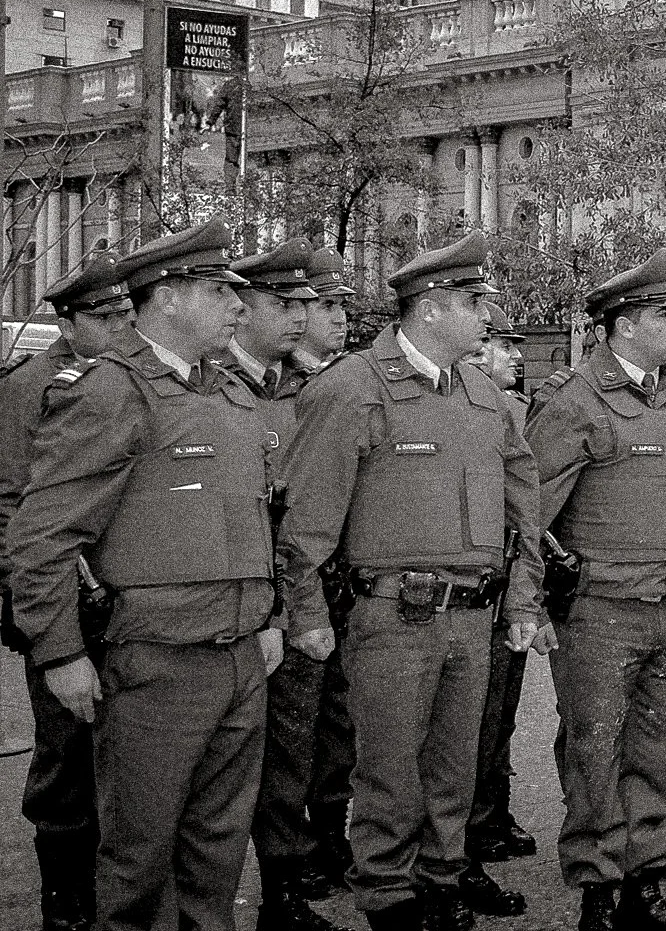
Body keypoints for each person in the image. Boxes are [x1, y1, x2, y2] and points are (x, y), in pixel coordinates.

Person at [8, 220, 289, 931]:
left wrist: (271, 618)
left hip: (238, 658)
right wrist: (61, 651)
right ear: (165, 299)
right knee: (138, 863)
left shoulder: (228, 396)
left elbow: (259, 523)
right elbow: (43, 535)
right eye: (219, 289)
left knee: (216, 857)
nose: (237, 304)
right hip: (156, 665)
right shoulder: (111, 392)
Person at [282, 231, 547, 931]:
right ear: (429, 308)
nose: (485, 315)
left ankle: (439, 880)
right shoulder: (350, 389)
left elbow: (524, 506)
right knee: (390, 773)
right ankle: (390, 897)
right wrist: (305, 614)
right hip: (394, 616)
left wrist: (523, 595)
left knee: (455, 772)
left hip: (473, 615)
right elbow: (305, 521)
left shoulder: (484, 395)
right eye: (472, 301)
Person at [528, 249, 666, 931]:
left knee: (657, 750)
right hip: (599, 612)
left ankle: (645, 883)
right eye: (665, 314)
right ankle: (597, 893)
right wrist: (529, 606)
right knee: (594, 750)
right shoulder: (576, 401)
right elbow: (530, 514)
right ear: (621, 325)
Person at [0, 252, 134, 931]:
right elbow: (14, 499)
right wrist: (22, 600)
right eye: (104, 316)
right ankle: (64, 897)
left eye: (125, 313)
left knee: (119, 746)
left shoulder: (126, 378)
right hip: (61, 594)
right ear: (68, 321)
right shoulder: (35, 385)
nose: (119, 325)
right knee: (65, 751)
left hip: (121, 595)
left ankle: (110, 883)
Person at [227, 241, 352, 931]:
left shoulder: (313, 390)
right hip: (243, 600)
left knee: (307, 745)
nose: (302, 320)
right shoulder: (217, 389)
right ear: (238, 307)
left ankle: (289, 880)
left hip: (313, 591)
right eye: (286, 305)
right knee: (242, 758)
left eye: (308, 306)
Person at [459, 302, 538, 912]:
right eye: (500, 343)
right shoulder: (469, 406)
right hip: (457, 591)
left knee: (495, 718)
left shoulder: (507, 408)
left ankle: (482, 823)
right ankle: (457, 849)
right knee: (464, 733)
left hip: (501, 583)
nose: (514, 354)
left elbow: (526, 508)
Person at [294, 248, 359, 892]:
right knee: (290, 730)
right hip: (291, 581)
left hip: (342, 582)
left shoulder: (344, 382)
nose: (339, 320)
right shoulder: (271, 388)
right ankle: (291, 855)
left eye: (343, 308)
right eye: (325, 308)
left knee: (337, 721)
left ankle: (331, 831)